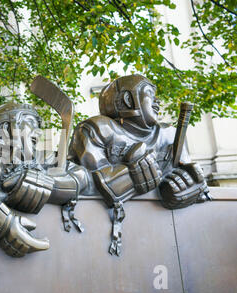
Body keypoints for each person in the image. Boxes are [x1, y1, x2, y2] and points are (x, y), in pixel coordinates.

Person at [68, 74, 210, 256]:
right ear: (128, 100)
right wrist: (133, 175)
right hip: (101, 239)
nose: (157, 101)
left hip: (163, 239)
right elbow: (98, 182)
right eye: (150, 94)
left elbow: (194, 180)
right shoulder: (96, 129)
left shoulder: (169, 134)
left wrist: (191, 185)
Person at [0, 102, 89, 281]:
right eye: (31, 123)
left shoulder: (42, 158)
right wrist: (6, 226)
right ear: (4, 129)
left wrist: (46, 184)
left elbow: (81, 176)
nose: (38, 132)